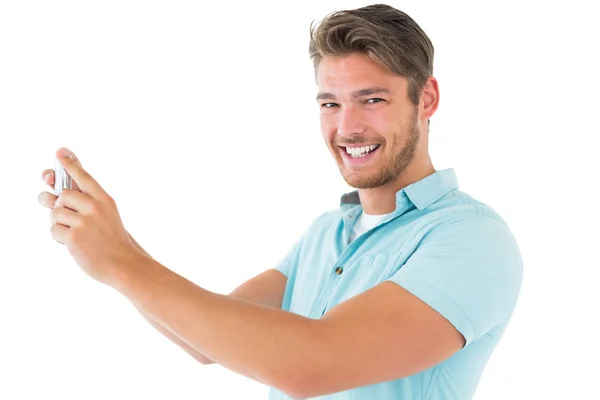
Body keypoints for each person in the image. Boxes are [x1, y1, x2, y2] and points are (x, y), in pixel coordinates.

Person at [38, 4, 523, 400]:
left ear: (427, 99)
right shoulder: (327, 233)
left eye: (372, 100)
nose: (347, 126)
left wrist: (121, 262)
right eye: (330, 103)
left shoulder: (471, 239)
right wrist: (112, 241)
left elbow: (312, 365)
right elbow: (203, 342)